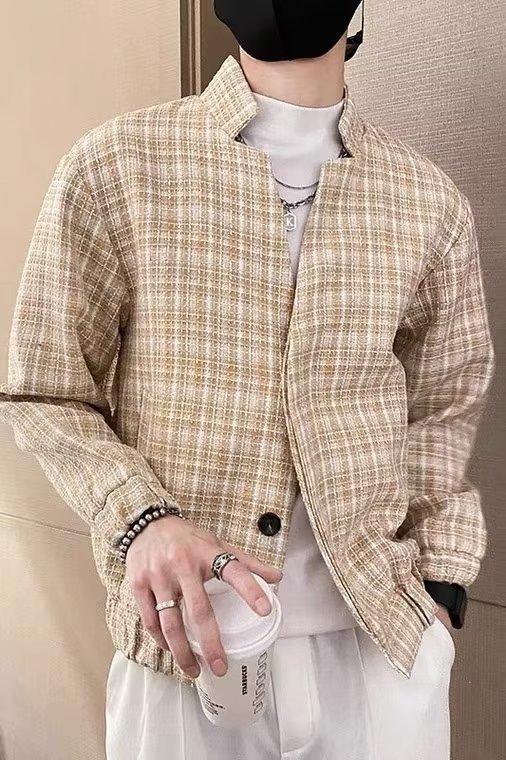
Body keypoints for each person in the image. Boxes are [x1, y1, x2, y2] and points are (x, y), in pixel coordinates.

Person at [0, 2, 495, 758]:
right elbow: (45, 388)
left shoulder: (424, 200)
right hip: (184, 645)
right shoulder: (119, 166)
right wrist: (139, 519)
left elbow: (445, 402)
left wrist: (442, 581)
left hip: (379, 650)